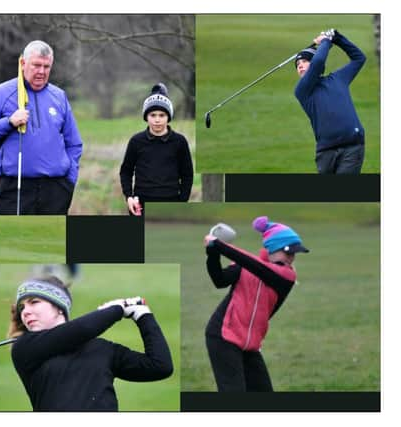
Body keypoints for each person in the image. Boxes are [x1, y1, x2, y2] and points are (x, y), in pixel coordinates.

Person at [8, 276, 173, 411]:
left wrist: (143, 316)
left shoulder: (102, 349)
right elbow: (84, 328)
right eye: (22, 307)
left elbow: (160, 366)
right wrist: (119, 308)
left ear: (59, 307)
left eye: (34, 302)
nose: (25, 311)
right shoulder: (25, 347)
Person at [0, 40, 83, 215]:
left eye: (47, 67)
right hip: (15, 188)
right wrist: (8, 122)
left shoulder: (59, 96)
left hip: (56, 189)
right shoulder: (1, 93)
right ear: (23, 63)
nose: (41, 72)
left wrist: (69, 181)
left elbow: (74, 143)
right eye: (36, 65)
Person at [204, 216, 309, 391]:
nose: (292, 257)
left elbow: (255, 266)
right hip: (223, 335)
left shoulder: (287, 276)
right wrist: (212, 254)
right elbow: (219, 280)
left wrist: (219, 245)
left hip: (250, 344)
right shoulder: (245, 266)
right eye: (288, 251)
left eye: (294, 253)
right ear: (273, 248)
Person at [294, 29, 366, 174]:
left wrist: (337, 38)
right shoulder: (302, 90)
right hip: (325, 151)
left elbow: (359, 58)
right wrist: (326, 41)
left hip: (352, 146)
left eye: (305, 61)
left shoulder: (338, 79)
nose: (300, 65)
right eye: (297, 64)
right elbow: (319, 61)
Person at [119, 83, 193, 216]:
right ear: (146, 117)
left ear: (168, 117)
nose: (157, 120)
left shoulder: (179, 142)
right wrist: (129, 197)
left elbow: (187, 175)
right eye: (153, 115)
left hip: (171, 203)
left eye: (162, 115)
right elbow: (126, 172)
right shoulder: (136, 141)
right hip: (140, 204)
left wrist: (182, 202)